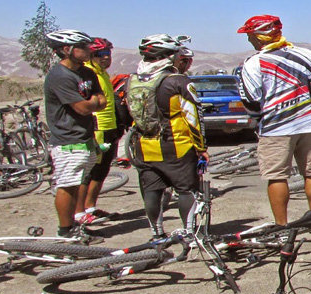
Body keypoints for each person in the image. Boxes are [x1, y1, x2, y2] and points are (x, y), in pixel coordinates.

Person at [236, 14, 311, 226]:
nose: (249, 39)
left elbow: (251, 101)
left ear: (259, 37)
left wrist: (259, 122)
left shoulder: (254, 63)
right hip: (309, 123)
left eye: (250, 35)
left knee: (277, 176)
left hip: (276, 127)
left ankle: (281, 225)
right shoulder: (308, 55)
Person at [123, 34, 206, 240]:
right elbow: (194, 118)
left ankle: (157, 234)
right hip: (176, 145)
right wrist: (201, 147)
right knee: (187, 190)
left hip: (143, 145)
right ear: (170, 57)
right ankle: (189, 233)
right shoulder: (178, 81)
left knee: (152, 190)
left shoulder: (131, 81)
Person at [42, 29, 107, 241]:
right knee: (67, 185)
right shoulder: (59, 76)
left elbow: (102, 100)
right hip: (68, 139)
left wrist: (92, 103)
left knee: (80, 182)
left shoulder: (86, 73)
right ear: (67, 49)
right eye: (83, 46)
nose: (89, 50)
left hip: (86, 137)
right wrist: (92, 103)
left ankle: (75, 225)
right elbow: (82, 108)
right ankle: (66, 230)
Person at [75, 37, 122, 225]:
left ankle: (91, 207)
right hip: (96, 129)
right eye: (100, 55)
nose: (106, 59)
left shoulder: (102, 74)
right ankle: (79, 212)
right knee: (89, 171)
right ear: (91, 56)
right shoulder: (87, 74)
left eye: (108, 54)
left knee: (102, 170)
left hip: (110, 127)